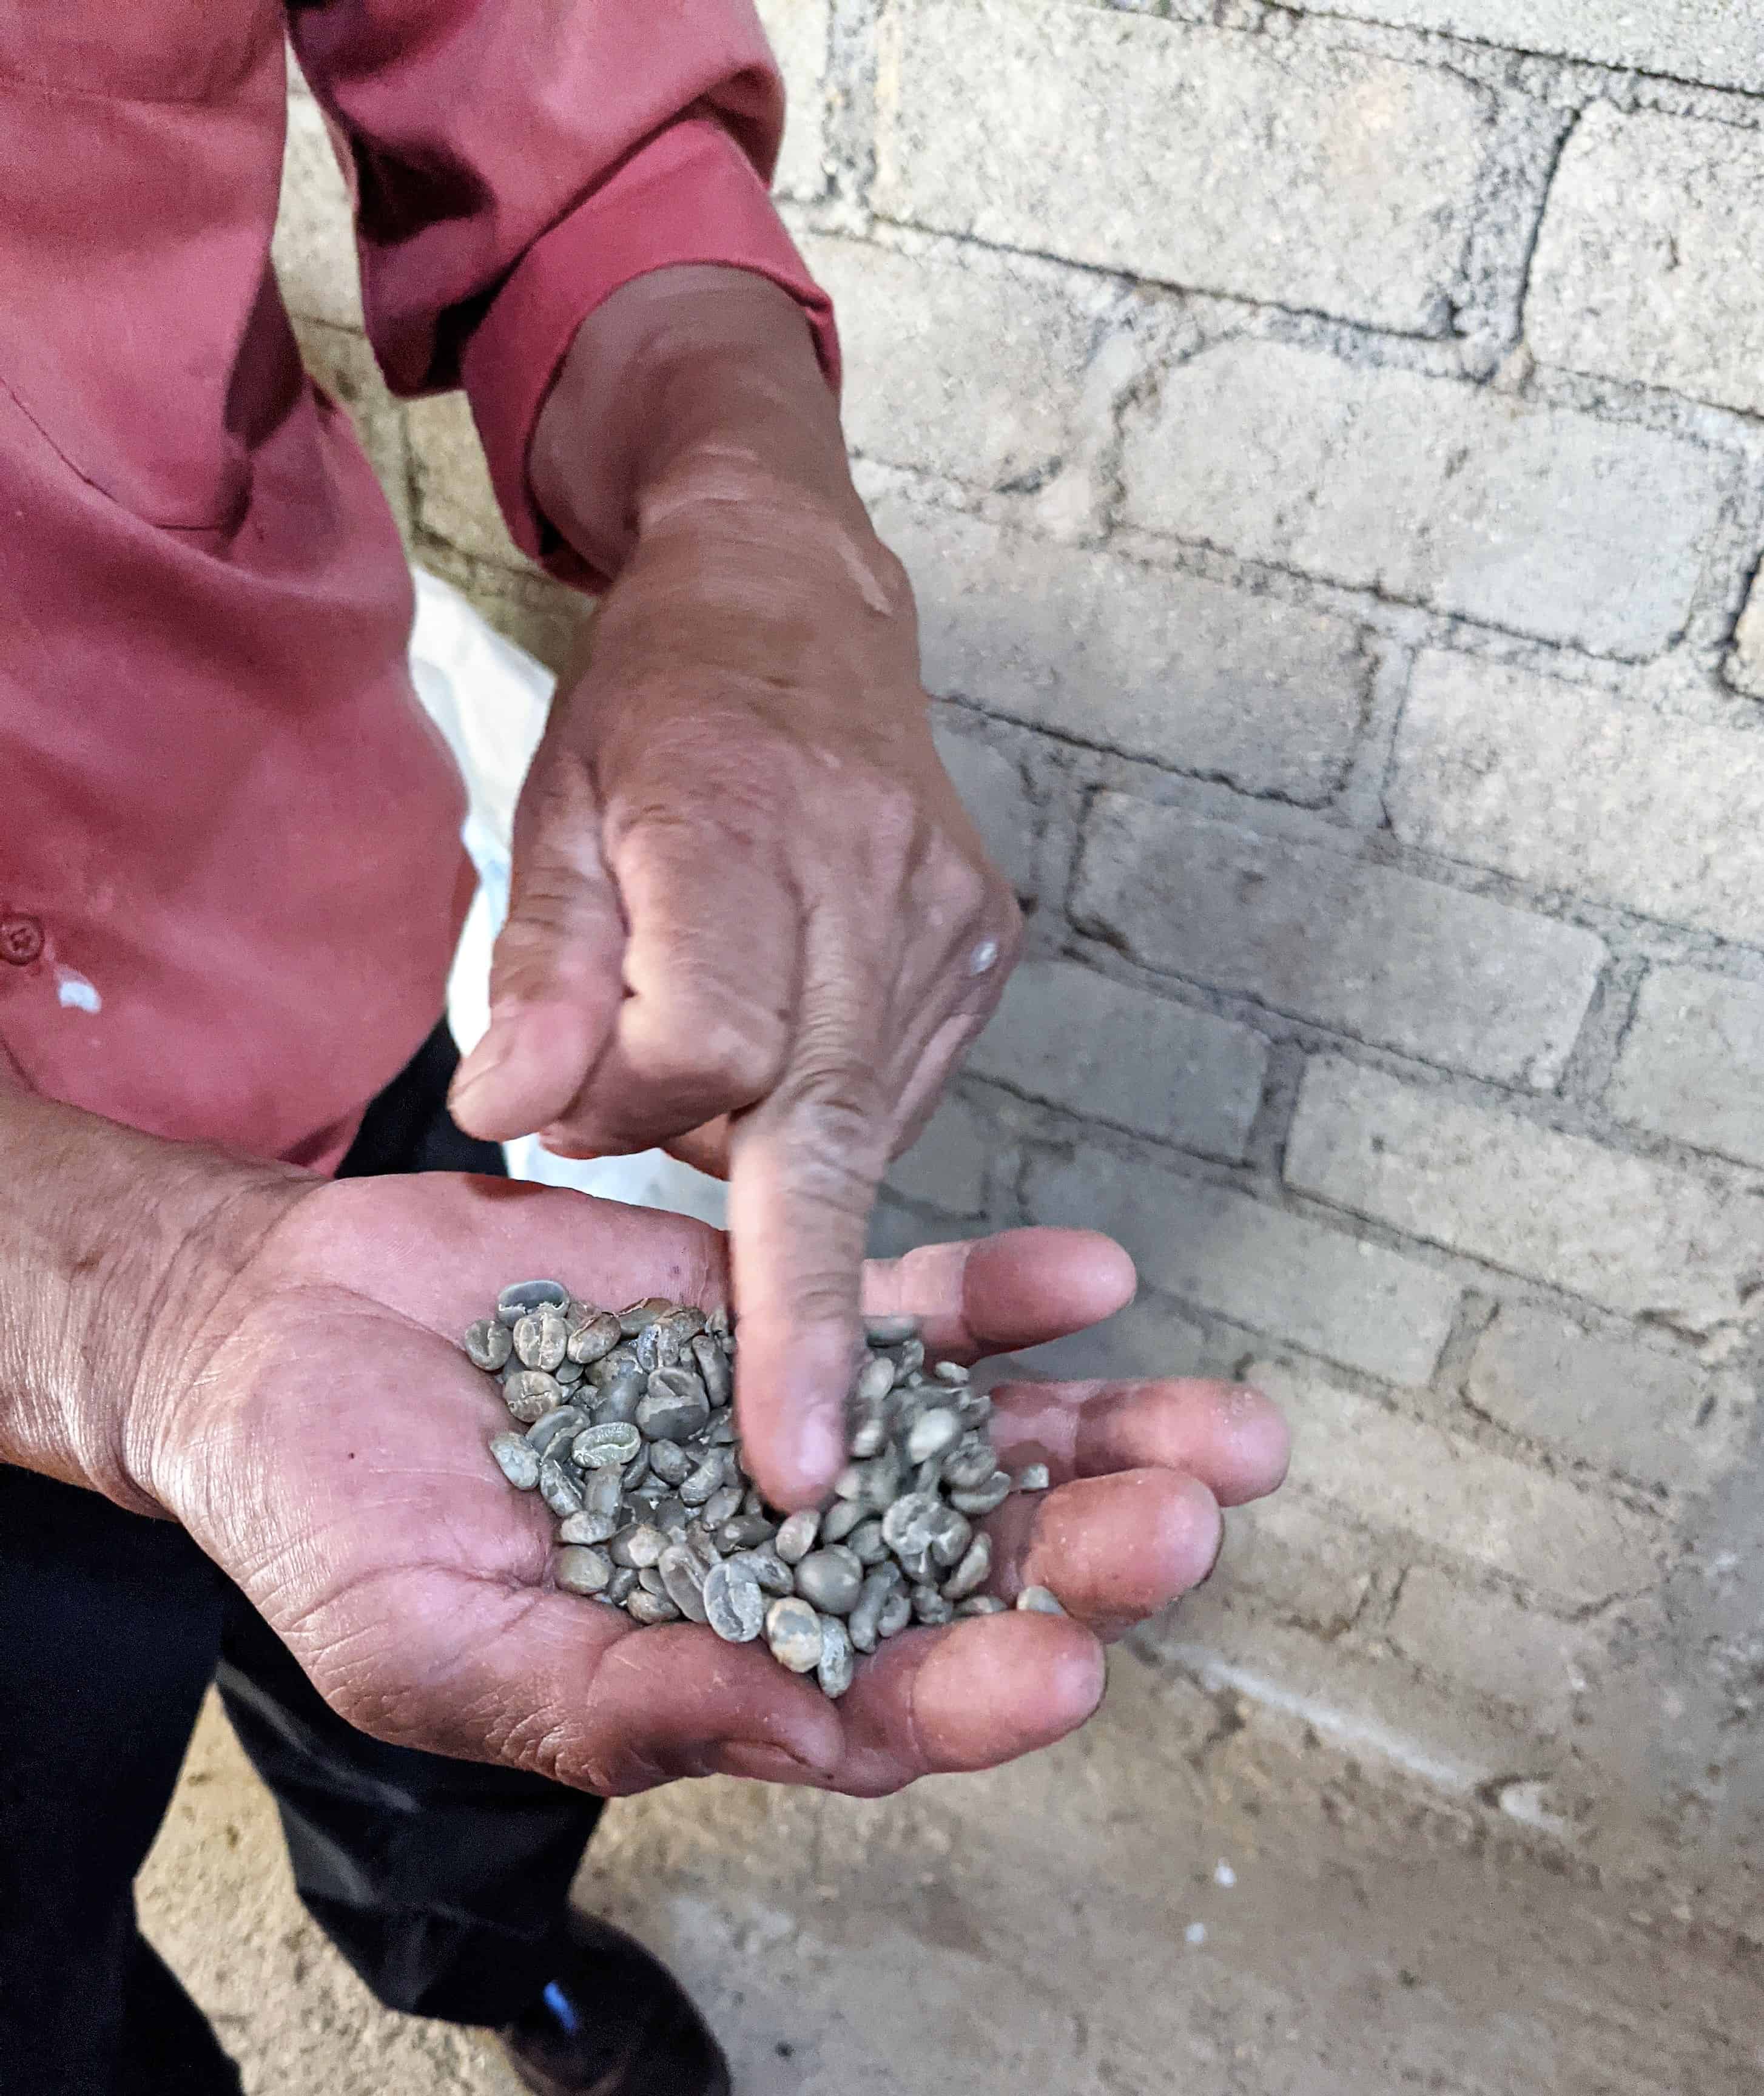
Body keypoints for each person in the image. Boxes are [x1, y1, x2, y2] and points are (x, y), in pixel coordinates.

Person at [0, 4, 1291, 2093]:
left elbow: (549, 97)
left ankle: (485, 1960)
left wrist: (748, 508)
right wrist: (127, 1304)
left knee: (473, 1670)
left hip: (297, 946)